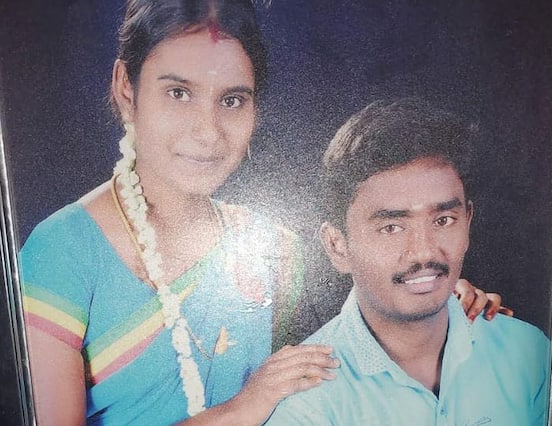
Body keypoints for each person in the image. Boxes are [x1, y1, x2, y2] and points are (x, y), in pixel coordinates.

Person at [19, 1, 505, 425]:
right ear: (127, 87)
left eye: (232, 100)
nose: (208, 132)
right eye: (178, 92)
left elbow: (358, 328)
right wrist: (238, 411)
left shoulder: (272, 246)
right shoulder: (63, 251)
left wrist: (436, 300)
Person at [267, 98, 550, 425]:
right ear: (337, 246)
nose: (424, 253)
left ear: (468, 222)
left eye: (443, 220)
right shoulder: (303, 399)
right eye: (391, 227)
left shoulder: (527, 352)